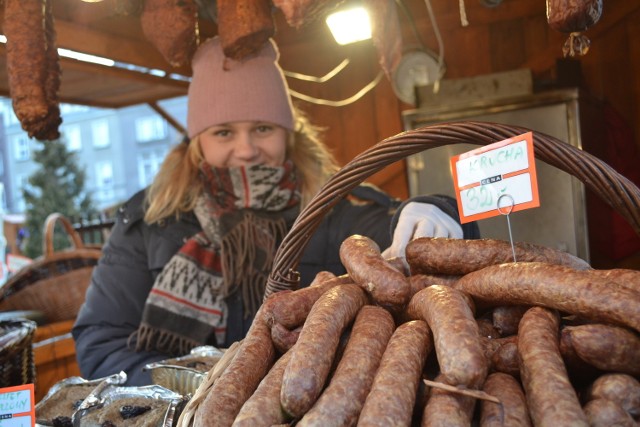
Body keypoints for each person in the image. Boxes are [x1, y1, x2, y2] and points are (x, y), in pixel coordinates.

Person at [72, 36, 479, 386]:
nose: (247, 149)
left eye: (262, 128)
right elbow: (101, 345)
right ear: (197, 140)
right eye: (224, 132)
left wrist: (435, 210)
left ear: (287, 133)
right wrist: (199, 389)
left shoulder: (332, 206)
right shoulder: (150, 219)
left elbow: (395, 227)